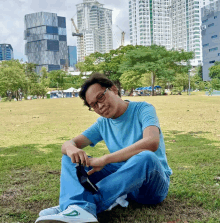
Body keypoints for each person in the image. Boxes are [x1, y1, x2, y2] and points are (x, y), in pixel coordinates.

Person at [35, 73, 172, 223]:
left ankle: (79, 206)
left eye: (100, 97)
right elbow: (68, 144)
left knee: (146, 157)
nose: (100, 106)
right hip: (123, 180)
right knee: (70, 157)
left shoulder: (143, 109)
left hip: (151, 184)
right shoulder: (103, 123)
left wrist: (105, 159)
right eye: (93, 105)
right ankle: (74, 207)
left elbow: (151, 142)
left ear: (113, 89)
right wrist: (71, 149)